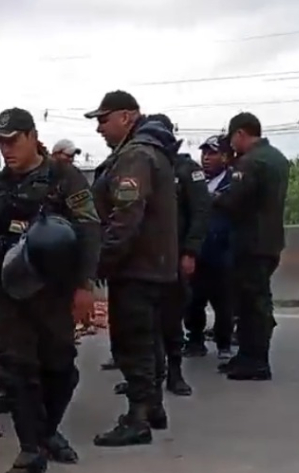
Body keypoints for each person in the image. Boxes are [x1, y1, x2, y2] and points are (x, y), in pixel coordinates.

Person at [0, 107, 100, 473]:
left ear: (32, 137)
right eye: (2, 143)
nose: (7, 150)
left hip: (54, 291)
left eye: (14, 141)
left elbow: (90, 231)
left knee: (61, 366)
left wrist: (84, 286)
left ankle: (46, 432)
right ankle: (30, 449)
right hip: (8, 292)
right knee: (18, 369)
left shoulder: (64, 178)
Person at [86, 91, 179, 444]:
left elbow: (126, 217)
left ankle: (137, 417)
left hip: (136, 266)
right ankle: (152, 406)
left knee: (132, 340)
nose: (99, 128)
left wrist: (104, 260)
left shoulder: (135, 156)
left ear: (126, 117)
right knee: (149, 338)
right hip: (154, 264)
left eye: (103, 119)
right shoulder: (152, 151)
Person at [214, 112, 290, 381]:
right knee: (254, 300)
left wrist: (213, 197)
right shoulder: (277, 157)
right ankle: (247, 355)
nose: (231, 146)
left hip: (251, 241)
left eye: (232, 139)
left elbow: (235, 200)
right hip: (269, 239)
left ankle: (255, 360)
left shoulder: (251, 161)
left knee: (251, 304)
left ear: (240, 134)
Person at [146, 113, 209, 397]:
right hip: (145, 258)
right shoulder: (143, 165)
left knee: (172, 319)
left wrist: (190, 251)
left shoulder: (185, 169)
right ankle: (147, 379)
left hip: (174, 256)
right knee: (145, 323)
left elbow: (200, 212)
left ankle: (175, 373)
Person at [185, 135, 235, 361]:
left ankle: (224, 342)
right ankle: (194, 340)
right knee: (193, 299)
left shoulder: (233, 182)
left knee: (224, 300)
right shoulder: (195, 182)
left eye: (212, 153)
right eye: (204, 153)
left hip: (223, 252)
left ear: (225, 157)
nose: (206, 158)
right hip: (198, 250)